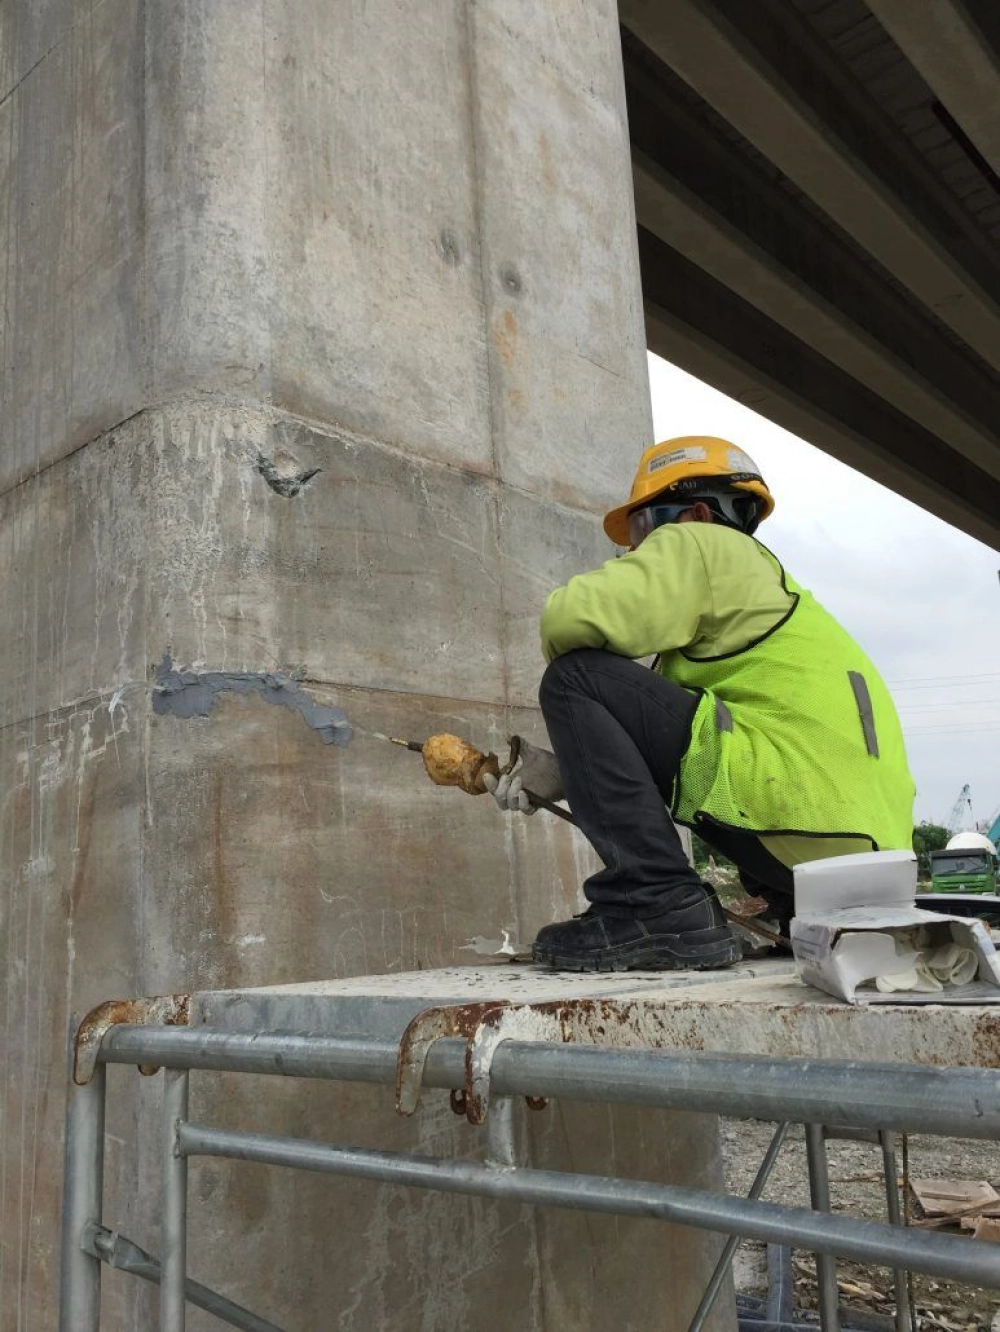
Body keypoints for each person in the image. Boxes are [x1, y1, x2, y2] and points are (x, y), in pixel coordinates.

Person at [483, 436, 915, 972]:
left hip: (800, 811)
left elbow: (569, 620)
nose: (637, 550)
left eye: (643, 530)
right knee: (711, 733)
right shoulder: (775, 604)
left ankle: (655, 906)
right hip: (860, 862)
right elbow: (667, 743)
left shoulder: (707, 545)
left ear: (694, 512)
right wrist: (568, 775)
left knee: (578, 679)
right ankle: (788, 910)